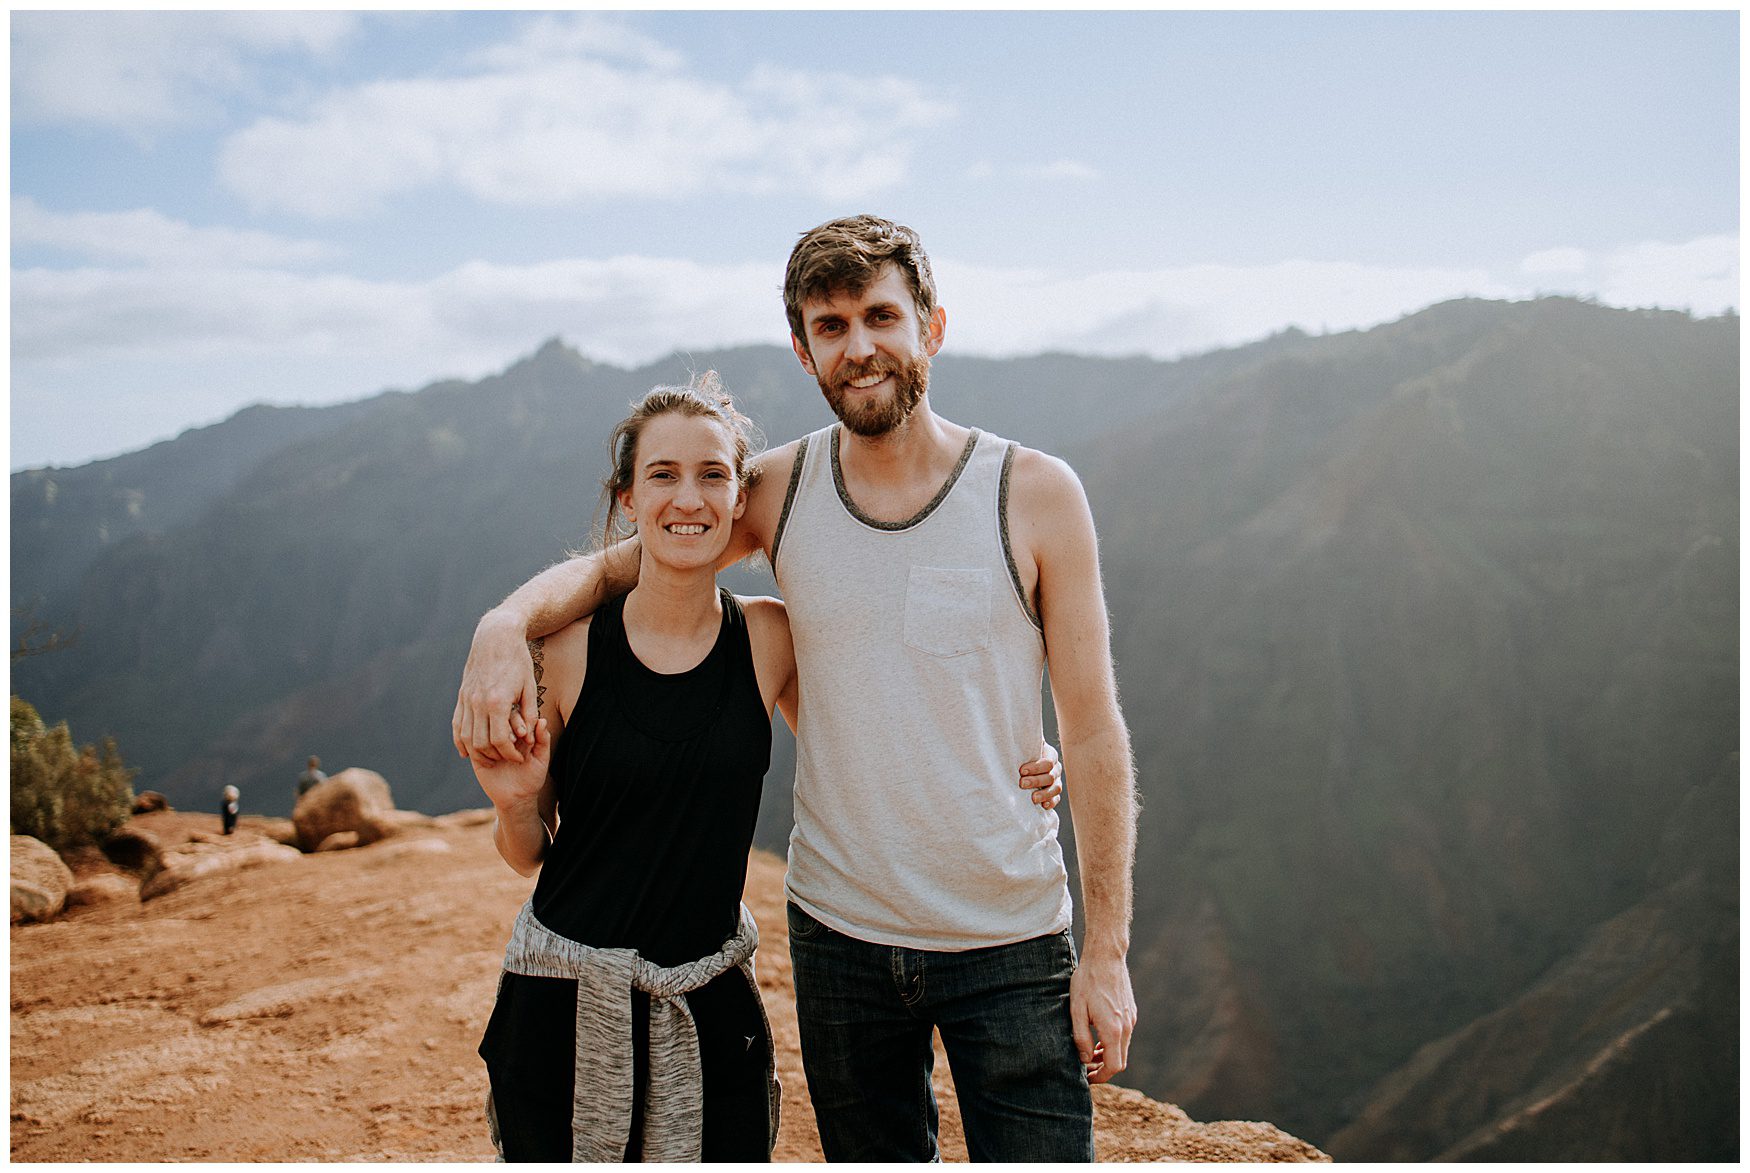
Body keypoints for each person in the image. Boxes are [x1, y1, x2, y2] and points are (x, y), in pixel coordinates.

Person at [454, 215, 1133, 1162]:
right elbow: (636, 559)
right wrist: (503, 625)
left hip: (1010, 936)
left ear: (932, 326)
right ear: (803, 348)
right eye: (831, 325)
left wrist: (1105, 953)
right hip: (840, 938)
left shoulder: (1035, 493)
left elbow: (1094, 730)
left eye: (881, 317)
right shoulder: (777, 488)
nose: (859, 347)